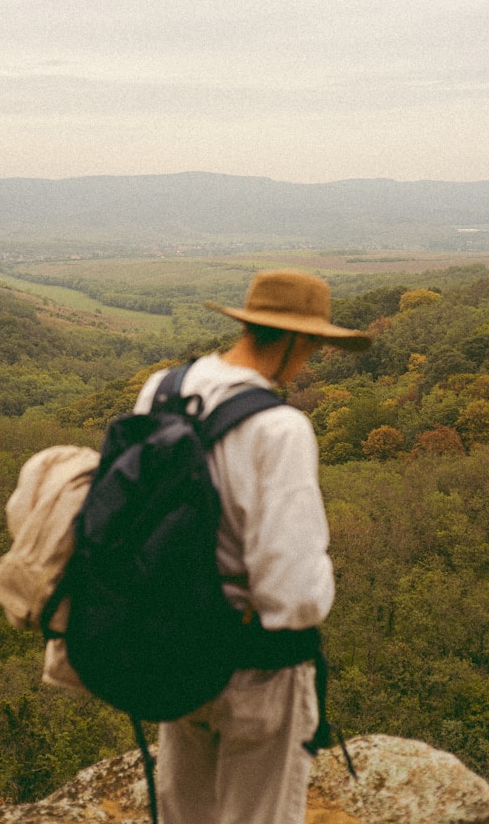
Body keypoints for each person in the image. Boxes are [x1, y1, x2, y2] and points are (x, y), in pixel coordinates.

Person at [132, 269, 370, 824]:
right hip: (256, 666)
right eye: (311, 345)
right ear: (293, 339)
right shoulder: (280, 428)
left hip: (173, 646)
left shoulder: (162, 390)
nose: (310, 358)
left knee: (185, 811)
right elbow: (290, 590)